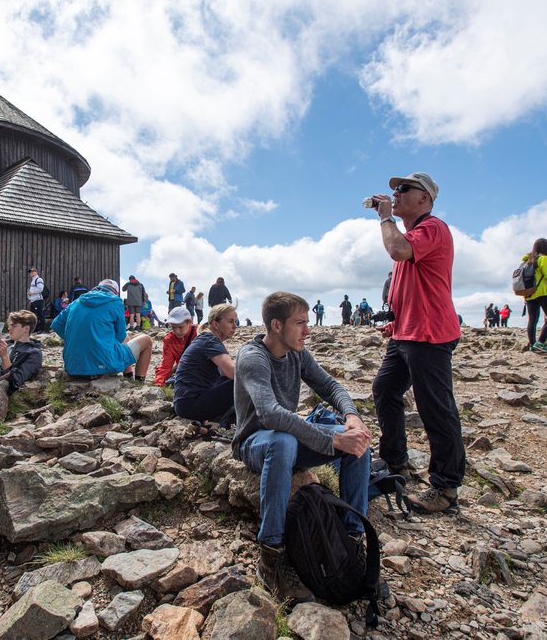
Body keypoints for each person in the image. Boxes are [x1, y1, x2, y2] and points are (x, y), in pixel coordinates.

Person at [233, 292, 371, 603]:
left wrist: (352, 417)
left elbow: (330, 386)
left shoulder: (298, 353)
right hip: (256, 442)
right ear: (277, 325)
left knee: (357, 444)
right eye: (300, 323)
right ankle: (270, 556)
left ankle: (350, 542)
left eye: (307, 322)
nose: (307, 331)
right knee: (282, 441)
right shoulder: (252, 357)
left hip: (290, 440)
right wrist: (331, 439)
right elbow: (269, 414)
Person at [369, 171, 465, 514]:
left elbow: (397, 251)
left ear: (424, 198)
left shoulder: (431, 228)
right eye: (395, 189)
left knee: (435, 406)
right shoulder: (415, 233)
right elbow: (413, 284)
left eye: (404, 189)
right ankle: (395, 460)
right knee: (385, 390)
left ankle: (446, 486)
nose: (395, 194)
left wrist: (384, 218)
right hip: (407, 332)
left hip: (429, 334)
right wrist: (395, 322)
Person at [52, 279, 153, 380]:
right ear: (116, 292)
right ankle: (139, 382)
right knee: (147, 340)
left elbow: (56, 324)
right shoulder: (115, 301)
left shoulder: (76, 302)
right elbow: (120, 336)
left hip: (72, 367)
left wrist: (75, 338)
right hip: (103, 366)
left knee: (126, 338)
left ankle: (128, 376)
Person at [173, 303, 237, 424]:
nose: (235, 326)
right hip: (190, 405)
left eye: (235, 321)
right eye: (230, 321)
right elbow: (233, 372)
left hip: (183, 403)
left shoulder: (206, 339)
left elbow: (224, 374)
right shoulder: (210, 341)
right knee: (244, 380)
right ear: (215, 324)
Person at [522, 238, 547, 353]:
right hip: (543, 292)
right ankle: (540, 342)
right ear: (545, 247)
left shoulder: (527, 260)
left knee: (532, 320)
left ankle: (532, 344)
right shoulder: (543, 258)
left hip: (529, 293)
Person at [153, 307, 198, 387]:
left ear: (189, 322)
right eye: (174, 327)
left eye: (180, 327)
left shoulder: (200, 333)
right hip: (185, 372)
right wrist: (159, 383)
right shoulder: (169, 340)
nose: (177, 331)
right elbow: (166, 365)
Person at [27, 267, 47, 333]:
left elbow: (40, 289)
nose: (31, 273)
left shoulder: (39, 279)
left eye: (33, 271)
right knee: (32, 315)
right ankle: (35, 329)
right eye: (30, 272)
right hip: (33, 300)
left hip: (38, 300)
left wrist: (31, 293)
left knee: (39, 314)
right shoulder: (33, 280)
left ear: (36, 272)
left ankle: (42, 329)